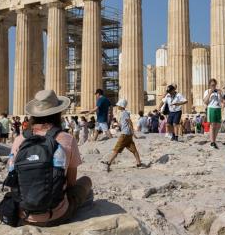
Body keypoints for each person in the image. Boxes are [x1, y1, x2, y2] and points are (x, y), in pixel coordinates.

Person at [10, 89, 92, 226]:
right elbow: (71, 183)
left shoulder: (19, 140)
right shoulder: (67, 139)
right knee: (86, 181)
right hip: (56, 215)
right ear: (58, 113)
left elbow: (12, 179)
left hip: (24, 214)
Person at [101, 99, 145, 171]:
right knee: (133, 149)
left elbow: (129, 122)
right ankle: (139, 163)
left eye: (118, 105)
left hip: (125, 134)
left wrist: (133, 133)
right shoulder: (123, 113)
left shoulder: (124, 113)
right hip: (128, 134)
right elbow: (123, 124)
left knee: (117, 148)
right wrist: (116, 125)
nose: (117, 106)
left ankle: (108, 163)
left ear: (121, 106)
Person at [203, 78, 223, 148]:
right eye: (212, 85)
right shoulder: (207, 91)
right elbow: (205, 101)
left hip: (218, 108)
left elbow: (222, 101)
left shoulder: (219, 91)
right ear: (209, 85)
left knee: (218, 125)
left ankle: (214, 140)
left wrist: (220, 94)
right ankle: (212, 142)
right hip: (211, 108)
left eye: (214, 85)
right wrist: (210, 93)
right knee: (212, 125)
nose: (213, 86)